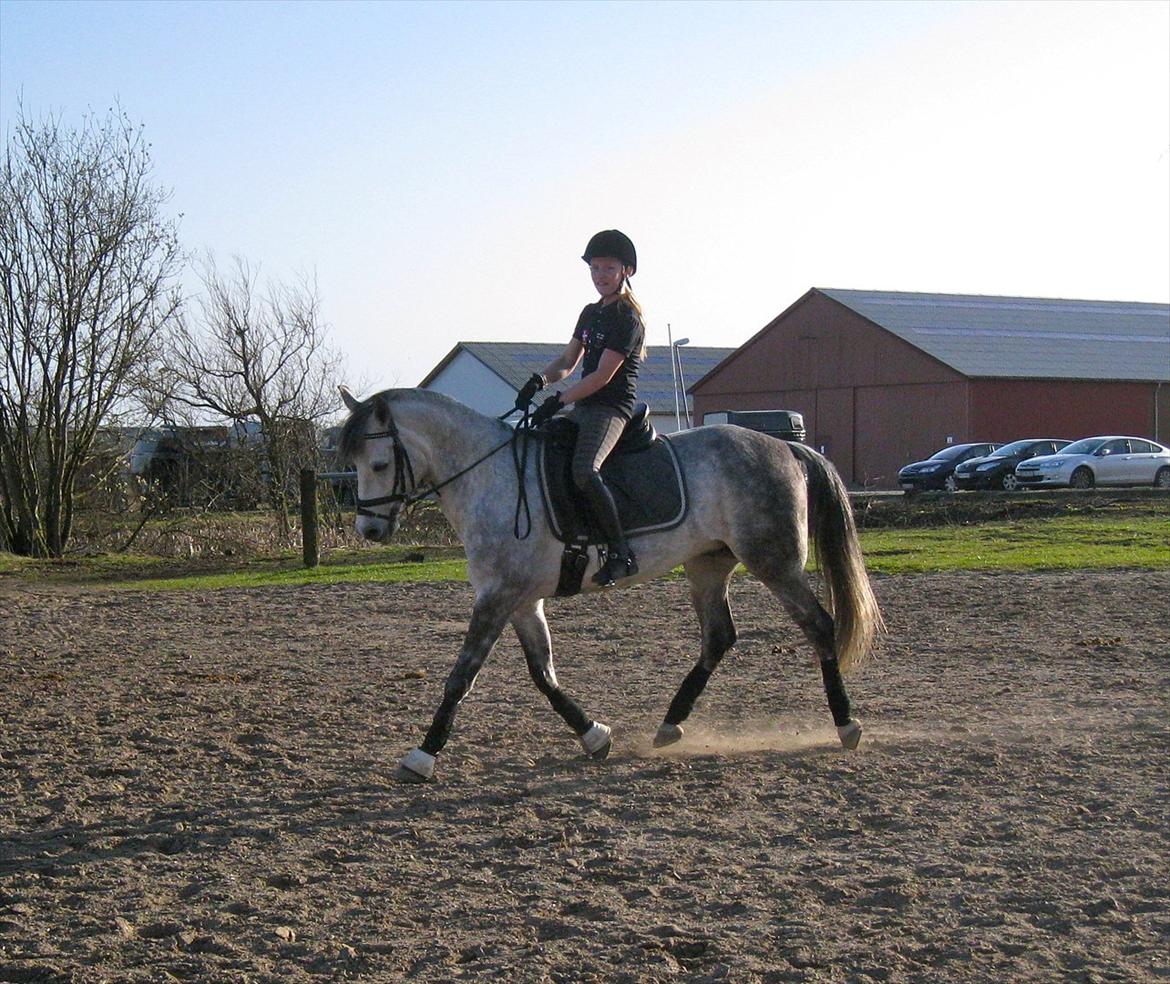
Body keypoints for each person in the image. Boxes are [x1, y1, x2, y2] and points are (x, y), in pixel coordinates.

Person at [515, 229, 646, 587]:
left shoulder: (627, 319)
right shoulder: (590, 313)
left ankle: (622, 553)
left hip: (611, 408)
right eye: (595, 268)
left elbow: (603, 376)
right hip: (584, 404)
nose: (600, 275)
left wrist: (558, 401)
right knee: (540, 451)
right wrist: (540, 382)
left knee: (585, 471)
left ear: (626, 271)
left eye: (608, 268)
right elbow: (568, 361)